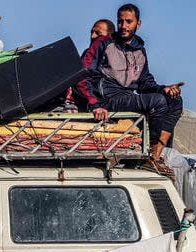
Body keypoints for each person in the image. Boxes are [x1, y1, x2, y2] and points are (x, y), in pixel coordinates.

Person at [77, 4, 183, 176]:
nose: (124, 26)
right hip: (107, 101)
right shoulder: (103, 43)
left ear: (138, 24)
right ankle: (150, 158)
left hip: (128, 98)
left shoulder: (140, 50)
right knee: (157, 102)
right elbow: (81, 76)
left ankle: (155, 155)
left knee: (174, 100)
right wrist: (94, 104)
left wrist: (164, 89)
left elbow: (145, 83)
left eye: (128, 22)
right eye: (120, 21)